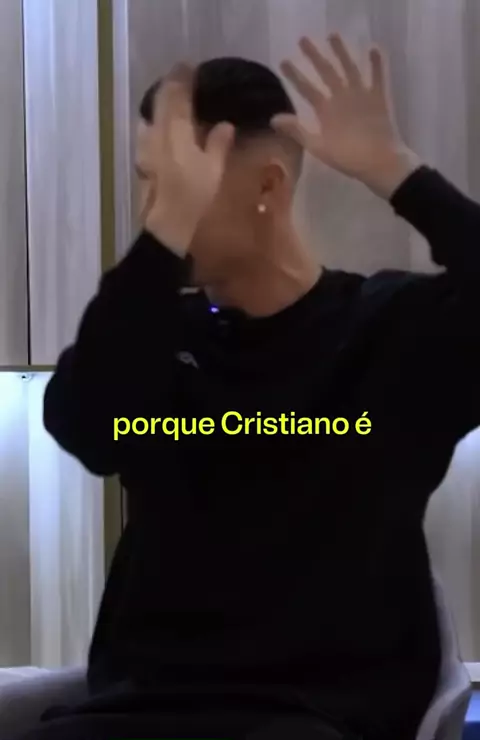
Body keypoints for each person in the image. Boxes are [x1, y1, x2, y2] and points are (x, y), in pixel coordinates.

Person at [22, 34, 480, 740]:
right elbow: (84, 425)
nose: (155, 209)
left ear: (268, 186)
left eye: (180, 185)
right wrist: (164, 238)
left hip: (319, 716)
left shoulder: (391, 332)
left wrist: (401, 175)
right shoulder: (151, 338)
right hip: (142, 709)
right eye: (150, 181)